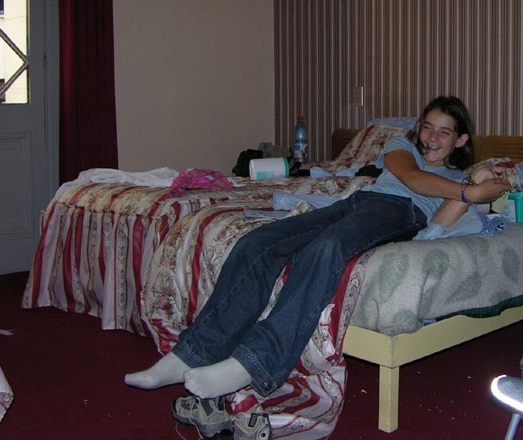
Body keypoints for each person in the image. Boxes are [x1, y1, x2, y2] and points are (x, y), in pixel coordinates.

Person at [125, 96, 511, 401]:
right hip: (359, 202)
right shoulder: (401, 147)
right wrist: (470, 191)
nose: (431, 138)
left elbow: (438, 224)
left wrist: (474, 185)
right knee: (259, 241)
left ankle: (255, 362)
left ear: (461, 140)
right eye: (427, 127)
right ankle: (191, 354)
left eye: (445, 132)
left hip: (399, 213)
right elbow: (411, 178)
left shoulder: (459, 178)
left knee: (326, 249)